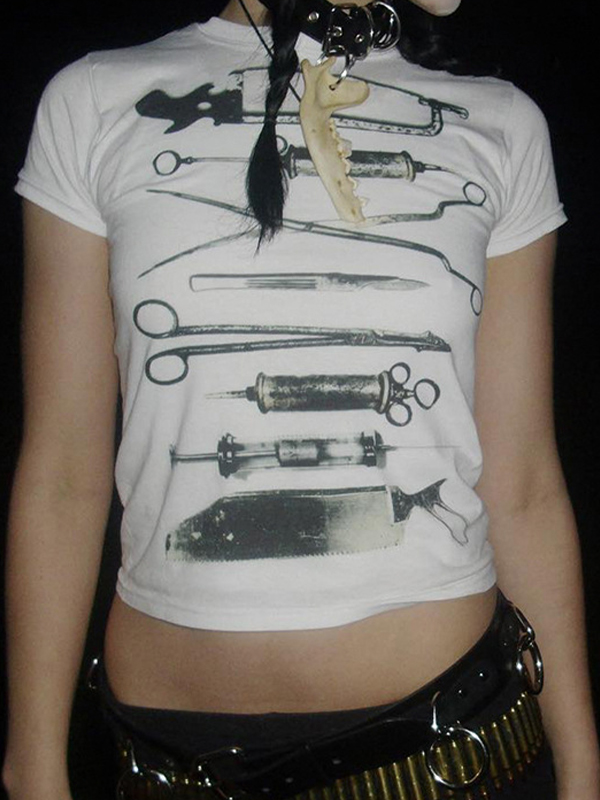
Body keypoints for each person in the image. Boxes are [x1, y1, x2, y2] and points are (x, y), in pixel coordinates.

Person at [3, 0, 599, 798]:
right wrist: (33, 764)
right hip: (174, 760)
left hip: (449, 752)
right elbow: (62, 474)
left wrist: (581, 765)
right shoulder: (95, 100)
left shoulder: (498, 123)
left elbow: (522, 483)